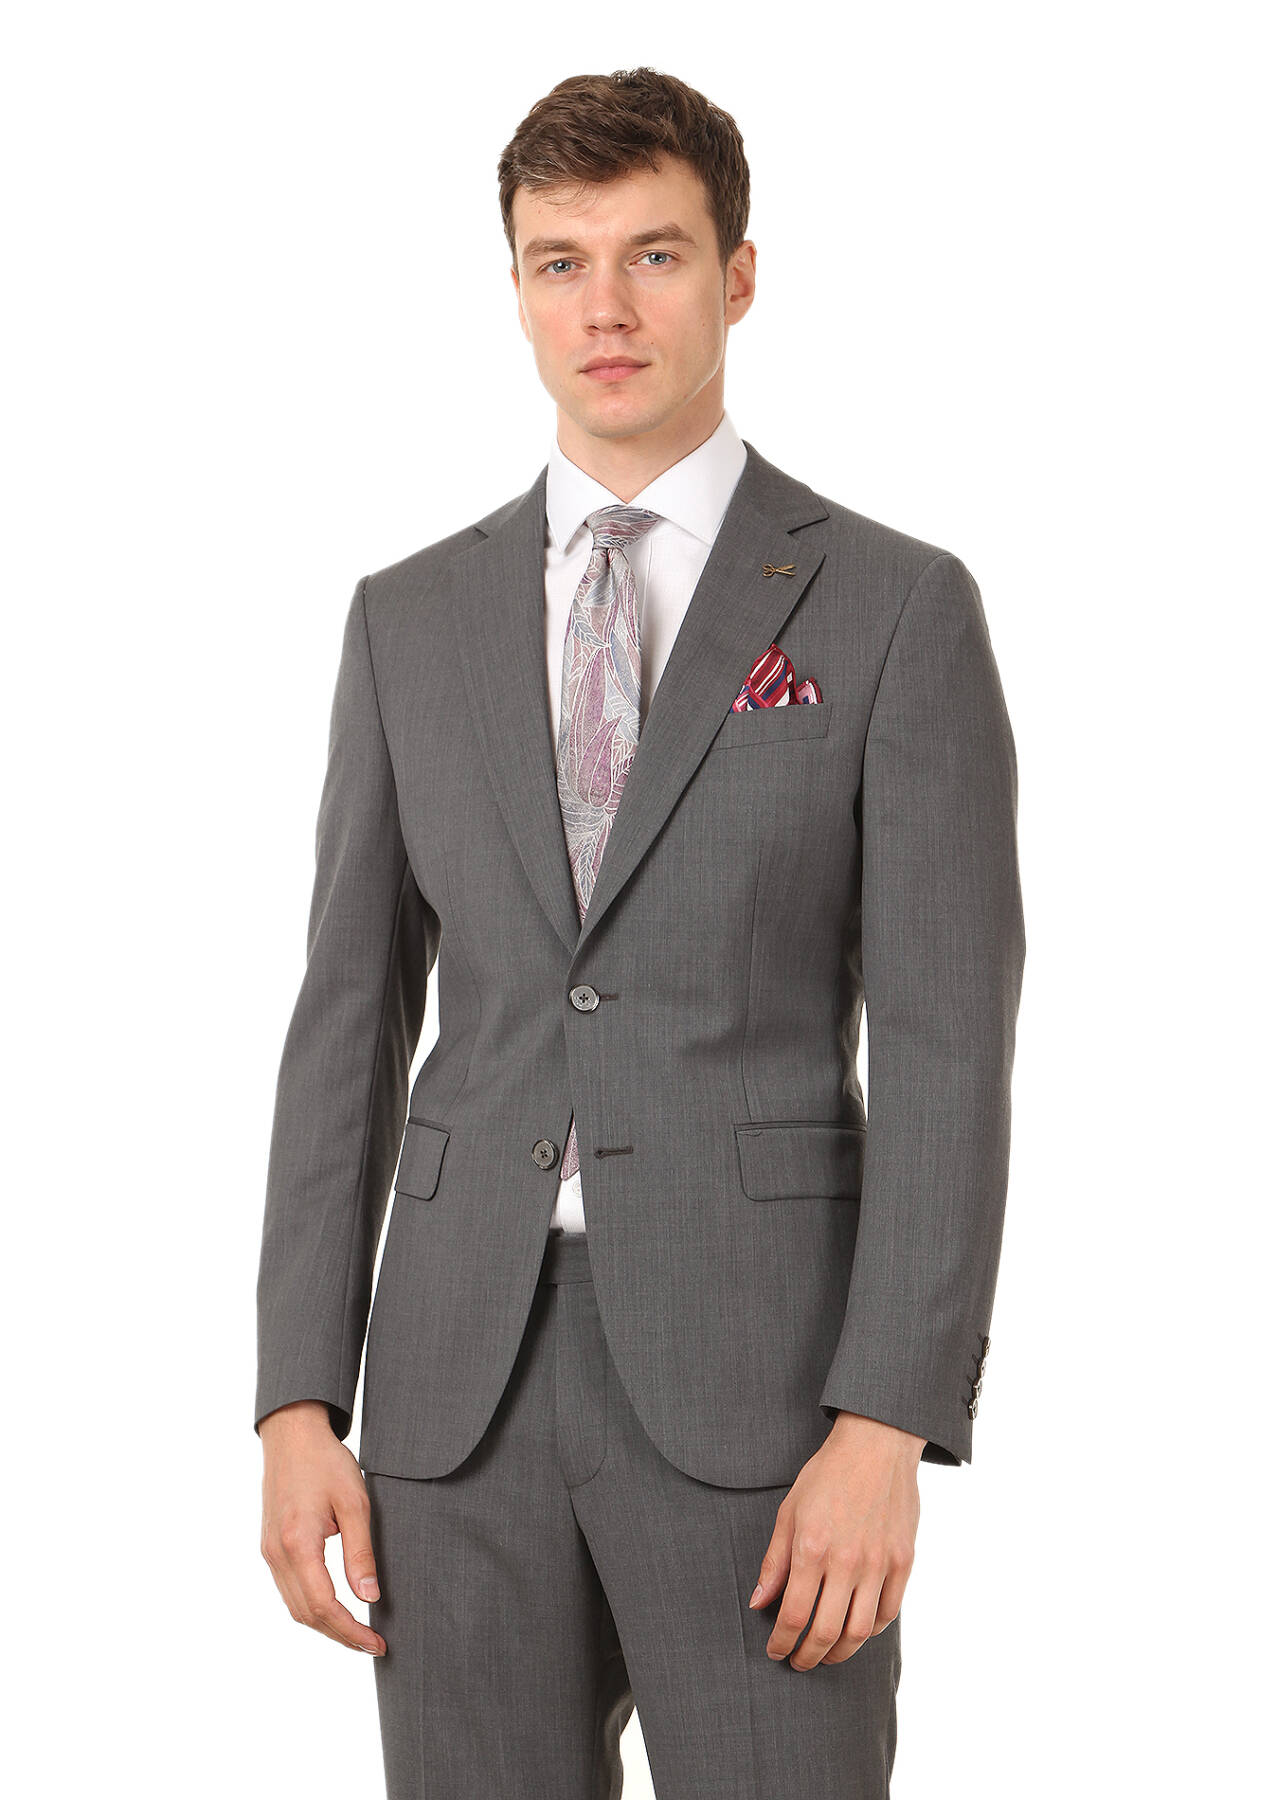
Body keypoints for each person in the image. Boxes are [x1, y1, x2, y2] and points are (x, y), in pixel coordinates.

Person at [255, 66, 1026, 1799]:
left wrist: (886, 1421)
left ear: (736, 277)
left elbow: (947, 1045)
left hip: (769, 1400)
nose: (604, 307)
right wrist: (297, 1399)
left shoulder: (893, 606)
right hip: (451, 1396)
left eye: (653, 255)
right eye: (560, 262)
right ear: (516, 288)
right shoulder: (405, 619)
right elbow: (345, 1022)